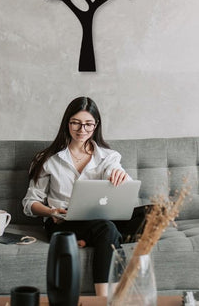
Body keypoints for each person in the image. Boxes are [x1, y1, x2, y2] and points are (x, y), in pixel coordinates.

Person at [22, 97, 135, 297]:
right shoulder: (47, 159)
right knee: (108, 229)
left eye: (88, 124)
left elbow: (114, 170)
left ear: (96, 125)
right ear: (67, 123)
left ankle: (86, 238)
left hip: (97, 219)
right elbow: (29, 203)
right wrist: (50, 211)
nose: (82, 129)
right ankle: (104, 299)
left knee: (148, 215)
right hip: (62, 222)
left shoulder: (108, 157)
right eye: (76, 122)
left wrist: (120, 176)